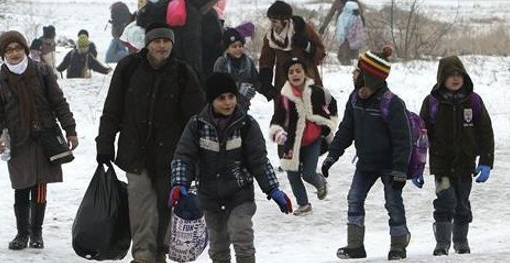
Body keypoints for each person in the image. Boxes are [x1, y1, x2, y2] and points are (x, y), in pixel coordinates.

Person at [95, 23, 205, 263]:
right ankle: (143, 255)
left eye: (166, 41)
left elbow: (196, 119)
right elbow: (112, 109)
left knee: (166, 204)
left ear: (172, 44)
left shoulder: (183, 72)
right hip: (135, 151)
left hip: (171, 155)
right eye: (157, 41)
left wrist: (198, 154)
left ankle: (159, 254)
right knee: (141, 203)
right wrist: (104, 144)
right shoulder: (129, 68)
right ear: (148, 43)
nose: (162, 46)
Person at [170, 73, 293, 263]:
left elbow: (259, 160)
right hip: (209, 196)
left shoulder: (247, 124)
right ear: (211, 100)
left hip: (239, 193)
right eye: (221, 98)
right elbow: (183, 157)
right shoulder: (197, 126)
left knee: (241, 234)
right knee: (218, 246)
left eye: (231, 97)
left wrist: (273, 189)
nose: (228, 103)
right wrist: (179, 183)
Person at [0, 30, 78, 251]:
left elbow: (58, 102)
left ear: (25, 50)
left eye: (18, 48)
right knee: (20, 186)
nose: (14, 53)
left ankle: (36, 233)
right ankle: (21, 234)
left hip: (42, 137)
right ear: (3, 54)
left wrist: (70, 130)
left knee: (39, 187)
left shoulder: (42, 72)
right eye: (9, 50)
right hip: (17, 141)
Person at [321, 47, 412, 260]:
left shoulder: (391, 103)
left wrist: (400, 170)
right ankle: (355, 245)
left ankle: (398, 244)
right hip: (366, 163)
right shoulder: (355, 99)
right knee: (354, 198)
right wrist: (332, 156)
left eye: (358, 72)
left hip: (389, 164)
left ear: (369, 77)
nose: (354, 75)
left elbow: (402, 140)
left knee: (392, 202)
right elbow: (346, 131)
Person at [419, 56, 494, 256]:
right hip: (442, 164)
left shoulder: (473, 101)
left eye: (458, 74)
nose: (455, 79)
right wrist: (416, 165)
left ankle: (461, 241)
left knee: (461, 203)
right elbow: (420, 136)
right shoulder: (432, 102)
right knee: (445, 201)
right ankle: (442, 243)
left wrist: (486, 161)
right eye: (450, 75)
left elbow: (485, 131)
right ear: (441, 78)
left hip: (465, 163)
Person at [268, 56, 338, 216]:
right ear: (287, 76)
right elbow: (277, 117)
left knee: (308, 173)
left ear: (305, 73)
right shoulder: (285, 98)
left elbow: (331, 104)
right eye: (291, 72)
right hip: (292, 142)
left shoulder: (317, 92)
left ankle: (320, 183)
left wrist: (329, 124)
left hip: (313, 141)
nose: (295, 74)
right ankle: (304, 204)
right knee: (292, 173)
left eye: (298, 70)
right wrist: (277, 131)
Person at [258, 0, 326, 98]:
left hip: (308, 78)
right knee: (286, 111)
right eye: (271, 21)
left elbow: (321, 52)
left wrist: (307, 46)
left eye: (275, 22)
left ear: (285, 21)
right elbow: (266, 60)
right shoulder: (270, 37)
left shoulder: (303, 29)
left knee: (311, 109)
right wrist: (265, 80)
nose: (272, 25)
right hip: (283, 81)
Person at [173, 0, 220, 80]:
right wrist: (197, 76)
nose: (209, 7)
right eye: (211, 3)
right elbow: (192, 47)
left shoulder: (183, 4)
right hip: (186, 72)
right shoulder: (192, 14)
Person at [213, 28, 260, 112]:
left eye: (240, 46)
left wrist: (252, 89)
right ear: (227, 49)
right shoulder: (221, 62)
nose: (238, 49)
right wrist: (238, 88)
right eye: (234, 46)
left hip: (243, 106)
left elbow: (255, 79)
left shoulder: (248, 62)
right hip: (225, 106)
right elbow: (218, 84)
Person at [334, 0, 365, 65]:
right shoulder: (344, 16)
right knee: (345, 54)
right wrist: (342, 37)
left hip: (352, 38)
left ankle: (351, 66)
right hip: (348, 38)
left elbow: (359, 28)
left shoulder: (355, 17)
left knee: (351, 54)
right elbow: (341, 28)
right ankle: (346, 67)